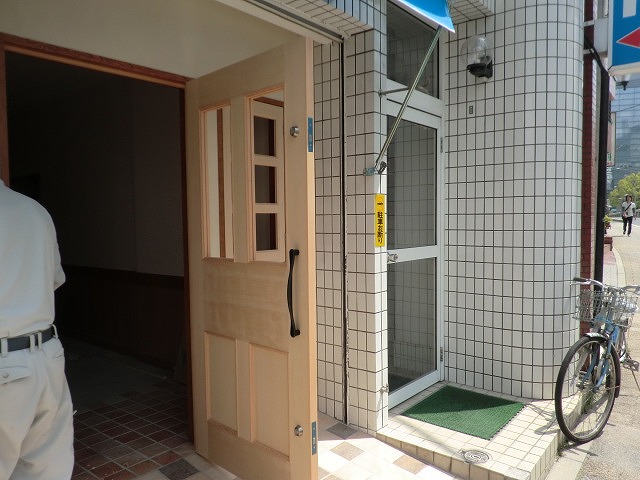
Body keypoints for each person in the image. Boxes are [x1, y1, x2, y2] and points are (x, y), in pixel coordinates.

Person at [0, 178, 74, 479]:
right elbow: (54, 279)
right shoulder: (35, 210)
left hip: (5, 365)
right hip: (47, 356)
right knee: (47, 467)